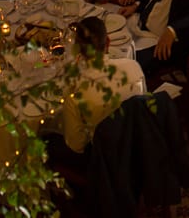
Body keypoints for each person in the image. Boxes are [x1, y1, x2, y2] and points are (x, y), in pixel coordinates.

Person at [60, 16, 146, 154]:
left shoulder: (74, 93)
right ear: (108, 42)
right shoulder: (134, 68)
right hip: (141, 146)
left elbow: (76, 145)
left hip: (106, 160)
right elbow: (144, 107)